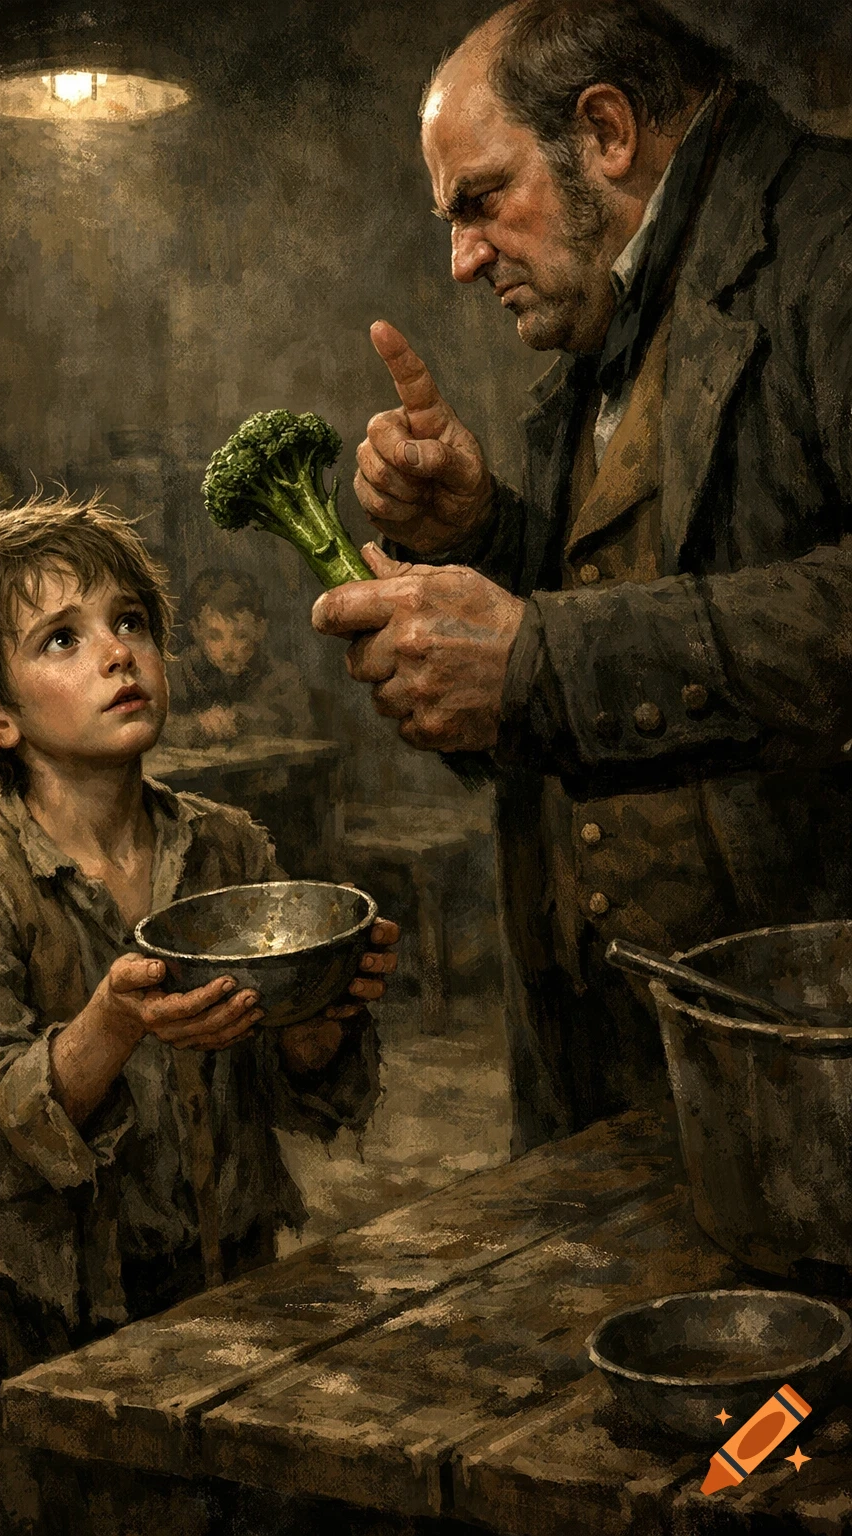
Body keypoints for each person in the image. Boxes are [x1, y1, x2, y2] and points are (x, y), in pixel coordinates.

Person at [313, 0, 852, 1152]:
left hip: (806, 1056)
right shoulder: (606, 303)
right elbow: (616, 591)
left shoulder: (830, 237)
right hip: (600, 1058)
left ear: (605, 131)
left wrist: (536, 659)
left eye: (478, 200)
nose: (459, 260)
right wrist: (481, 535)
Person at [0, 494, 398, 1536]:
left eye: (131, 623)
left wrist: (317, 1022)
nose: (118, 655)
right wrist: (109, 1027)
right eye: (63, 640)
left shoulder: (227, 852)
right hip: (42, 1332)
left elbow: (290, 1090)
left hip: (223, 1293)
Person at [162, 567, 314, 747]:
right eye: (215, 636)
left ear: (260, 629)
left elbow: (298, 726)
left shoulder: (283, 679)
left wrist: (238, 719)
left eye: (241, 635)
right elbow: (155, 722)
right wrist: (198, 725)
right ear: (195, 630)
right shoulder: (176, 671)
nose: (228, 650)